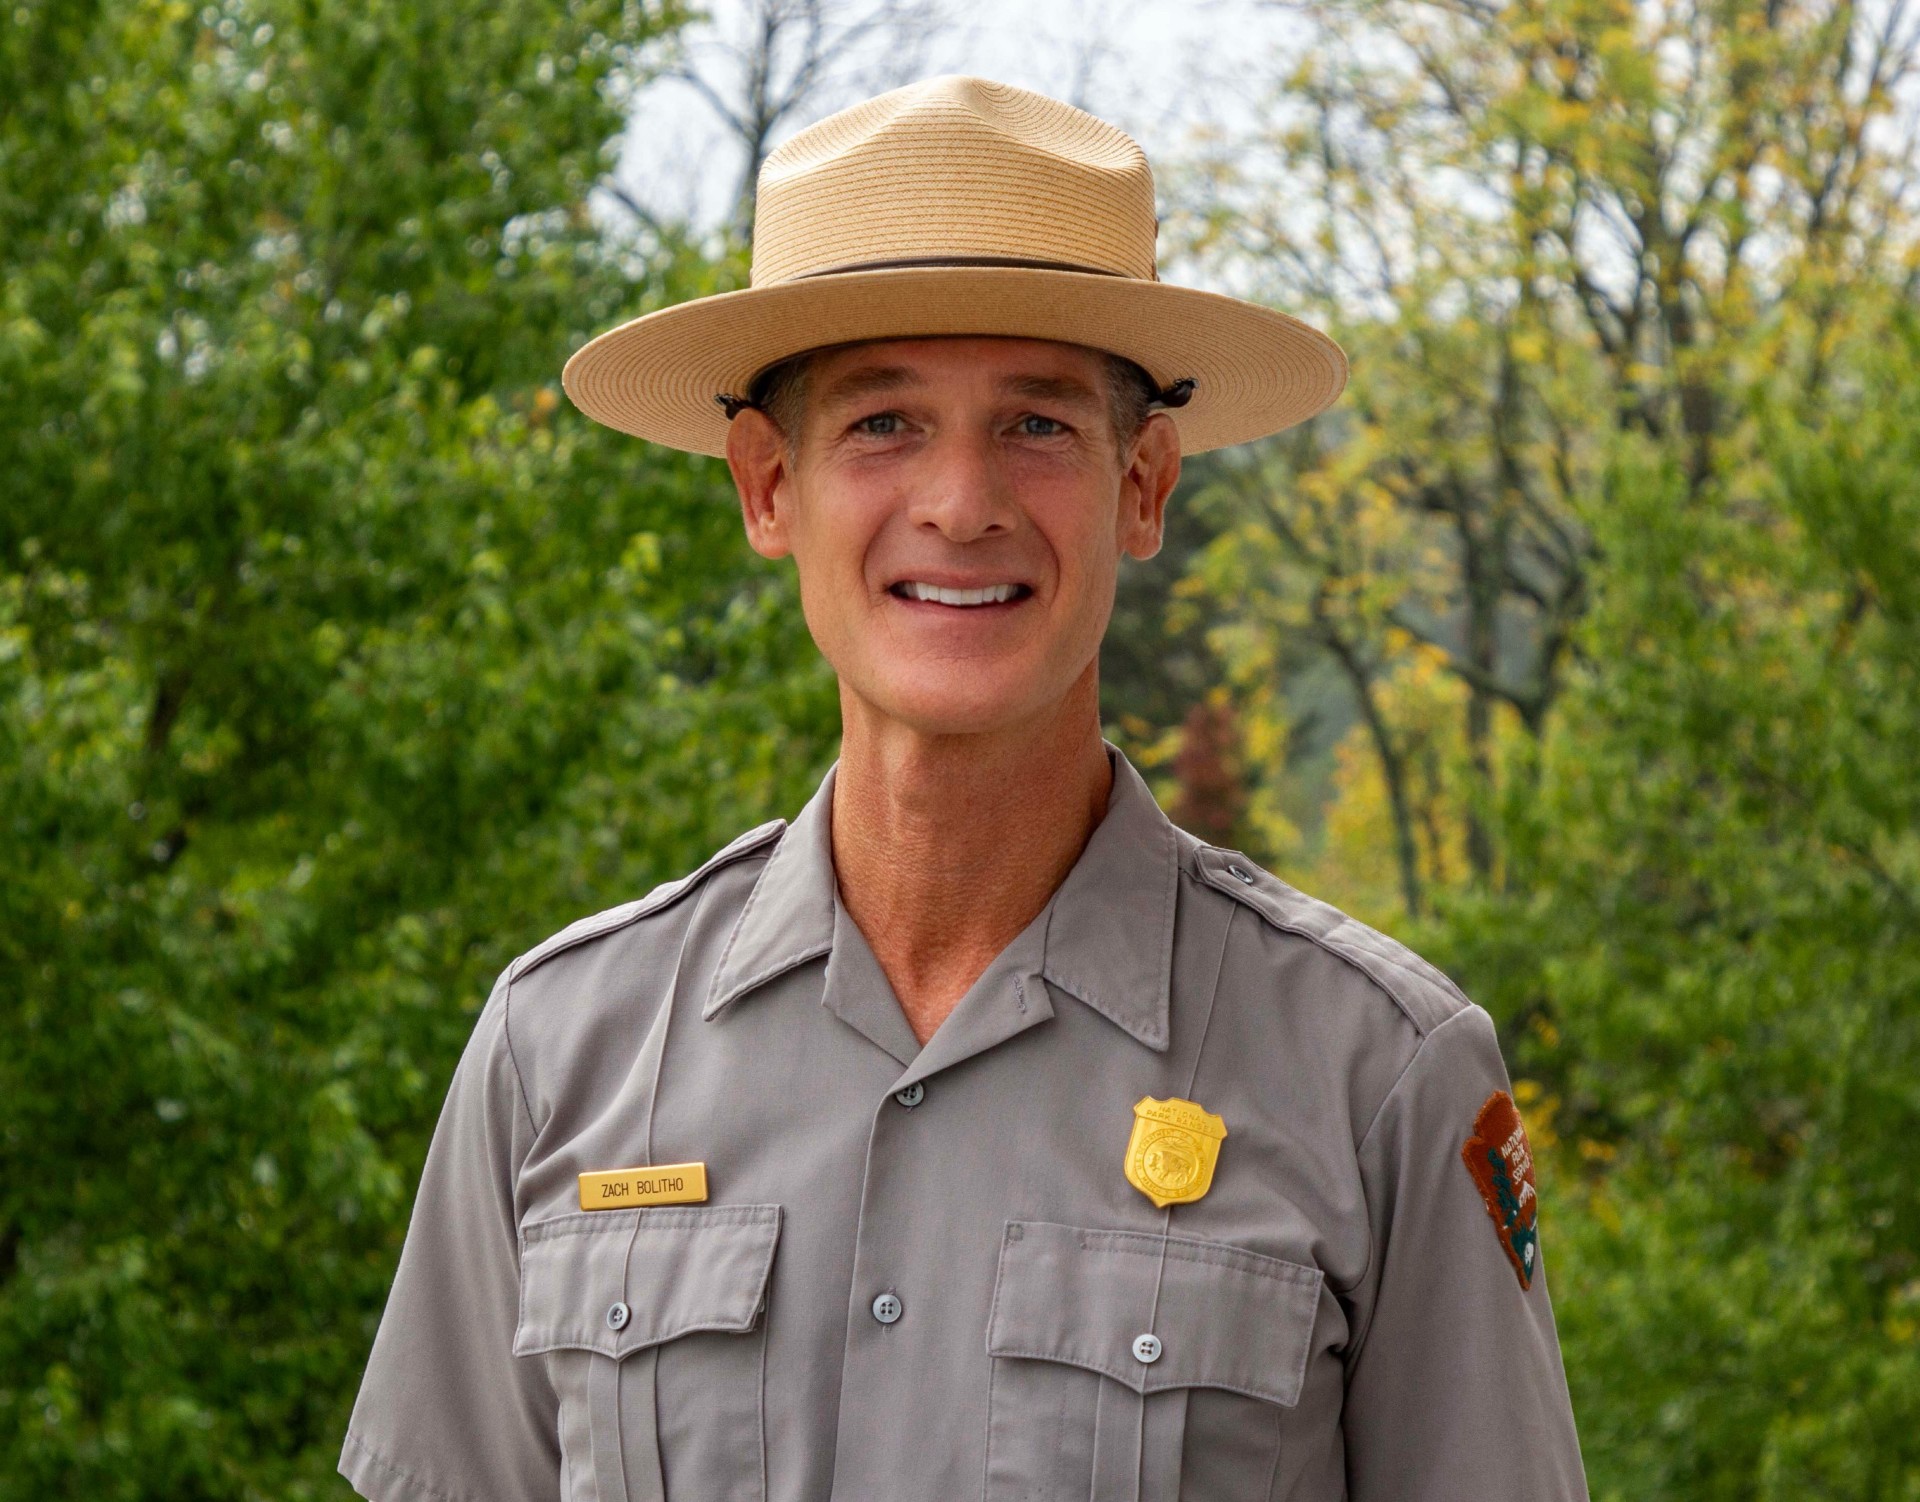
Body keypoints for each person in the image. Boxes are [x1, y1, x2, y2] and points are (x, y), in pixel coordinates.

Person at [339, 74, 1588, 1502]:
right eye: (882, 423)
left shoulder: (1379, 1075)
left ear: (1146, 484)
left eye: (1038, 424)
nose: (961, 500)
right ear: (766, 486)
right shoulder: (559, 1055)